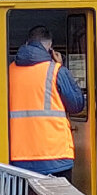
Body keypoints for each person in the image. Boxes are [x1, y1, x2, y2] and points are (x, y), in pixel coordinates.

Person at [8, 25, 85, 177]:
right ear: (50, 48)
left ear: (26, 43)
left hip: (19, 156)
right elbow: (76, 105)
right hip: (56, 156)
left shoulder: (9, 70)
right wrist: (62, 67)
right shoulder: (56, 70)